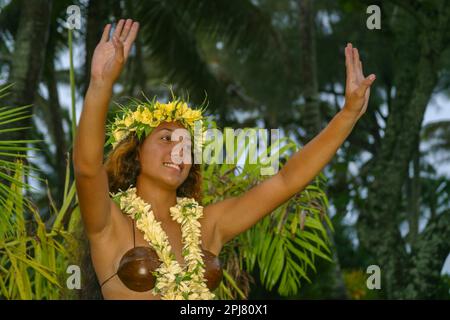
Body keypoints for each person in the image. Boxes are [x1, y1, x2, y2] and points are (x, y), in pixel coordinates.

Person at [73, 18, 376, 300]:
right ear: (136, 151)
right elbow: (87, 169)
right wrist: (101, 84)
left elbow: (286, 180)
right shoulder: (109, 222)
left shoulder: (208, 225)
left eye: (187, 145)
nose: (179, 151)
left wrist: (347, 115)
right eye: (166, 138)